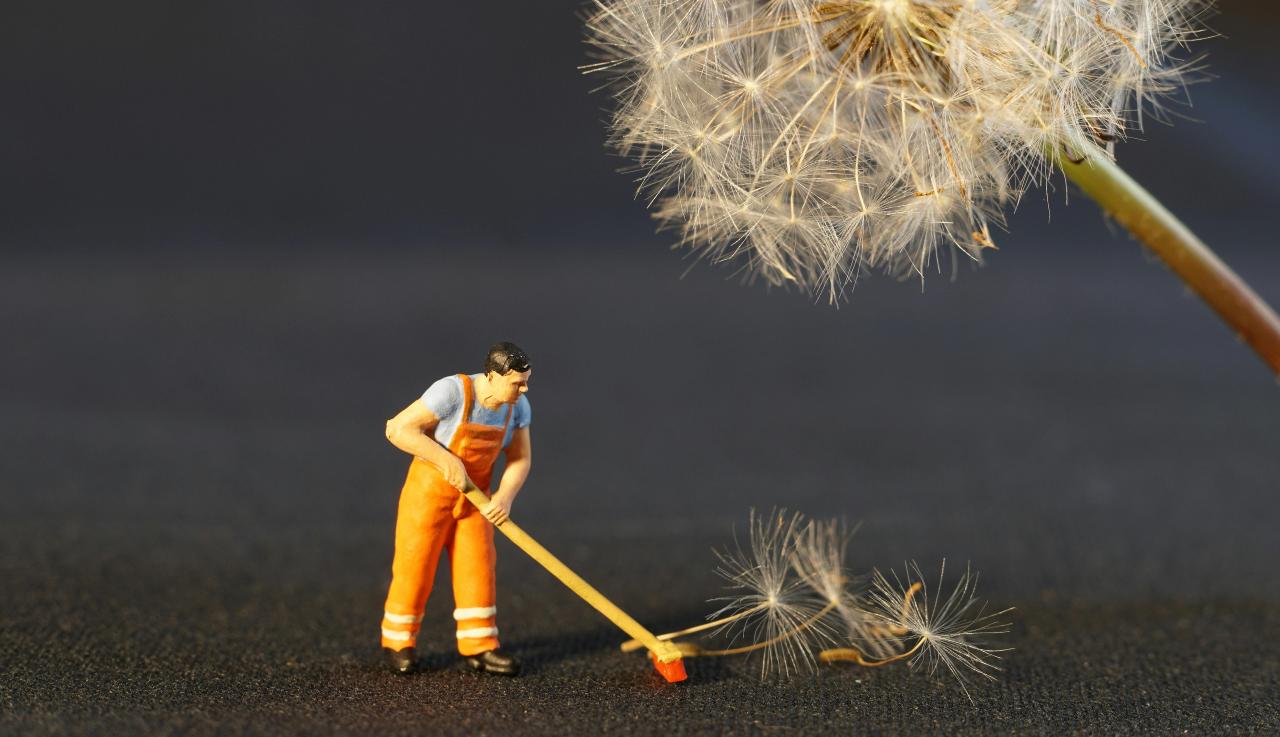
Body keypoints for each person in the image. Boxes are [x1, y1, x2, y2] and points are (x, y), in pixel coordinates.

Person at [379, 342, 532, 676]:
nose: (523, 389)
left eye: (525, 382)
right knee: (415, 566)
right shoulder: (452, 393)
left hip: (477, 502)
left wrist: (504, 497)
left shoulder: (516, 408)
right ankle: (398, 642)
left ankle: (480, 645)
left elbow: (520, 458)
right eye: (517, 383)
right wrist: (444, 458)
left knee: (478, 569)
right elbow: (398, 428)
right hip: (428, 497)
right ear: (492, 377)